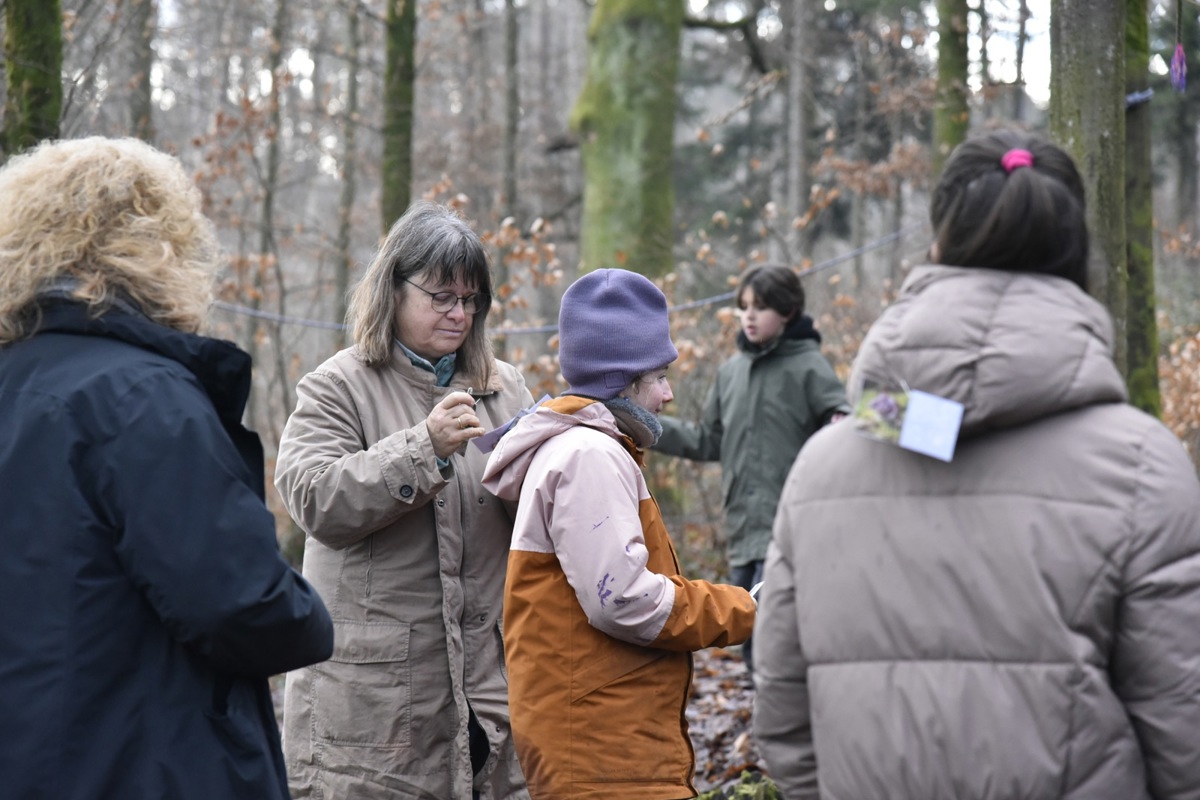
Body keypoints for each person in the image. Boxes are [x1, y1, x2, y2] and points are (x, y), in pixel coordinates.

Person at [753, 128, 1200, 799]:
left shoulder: (826, 464)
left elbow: (783, 715)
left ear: (938, 244)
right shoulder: (1143, 465)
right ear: (1077, 250)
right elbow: (1181, 729)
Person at [0, 136, 335, 800]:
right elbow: (243, 606)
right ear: (160, 246)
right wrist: (314, 618)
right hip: (138, 762)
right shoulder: (141, 398)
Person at [274, 200, 533, 799]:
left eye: (470, 299)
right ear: (392, 289)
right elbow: (313, 499)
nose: (459, 313)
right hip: (374, 708)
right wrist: (425, 449)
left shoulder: (505, 387)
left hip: (488, 694)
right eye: (441, 296)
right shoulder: (337, 385)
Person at [481, 268, 757, 799]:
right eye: (658, 376)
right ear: (621, 379)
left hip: (607, 739)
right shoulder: (589, 456)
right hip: (603, 754)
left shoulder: (588, 450)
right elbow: (623, 598)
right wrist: (744, 610)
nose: (669, 394)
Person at [654, 264, 849, 673]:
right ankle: (761, 720)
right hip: (743, 527)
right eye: (743, 307)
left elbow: (845, 421)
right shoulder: (731, 373)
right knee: (748, 635)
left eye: (760, 307)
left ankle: (778, 717)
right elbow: (708, 441)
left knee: (777, 639)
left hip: (792, 526)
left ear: (788, 311)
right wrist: (646, 424)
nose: (748, 316)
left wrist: (841, 421)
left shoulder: (810, 367)